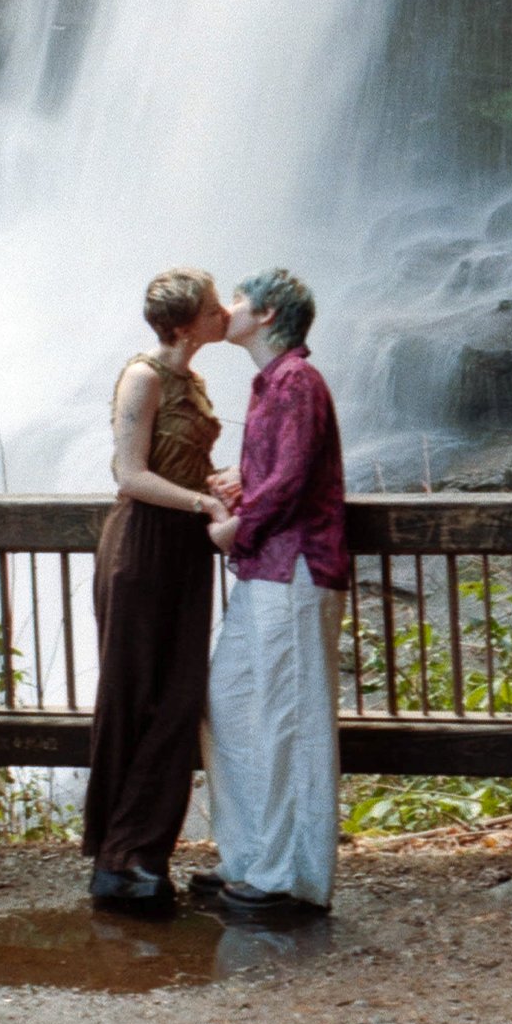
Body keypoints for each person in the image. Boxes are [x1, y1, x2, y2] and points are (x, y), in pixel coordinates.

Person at [193, 269, 350, 916]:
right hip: (268, 571)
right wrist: (242, 476)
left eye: (236, 298)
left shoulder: (294, 381)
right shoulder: (273, 384)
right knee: (229, 703)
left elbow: (289, 483)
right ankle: (250, 856)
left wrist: (236, 525)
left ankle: (288, 878)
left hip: (296, 569)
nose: (226, 308)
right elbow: (281, 470)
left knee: (287, 718)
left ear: (267, 313)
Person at [84, 267, 232, 909]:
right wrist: (204, 502)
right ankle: (119, 863)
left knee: (178, 699)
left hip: (185, 550)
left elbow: (178, 462)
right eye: (212, 305)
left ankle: (144, 851)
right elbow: (130, 472)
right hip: (143, 544)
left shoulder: (193, 378)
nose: (224, 311)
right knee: (136, 694)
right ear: (184, 322)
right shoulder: (143, 376)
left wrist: (223, 483)